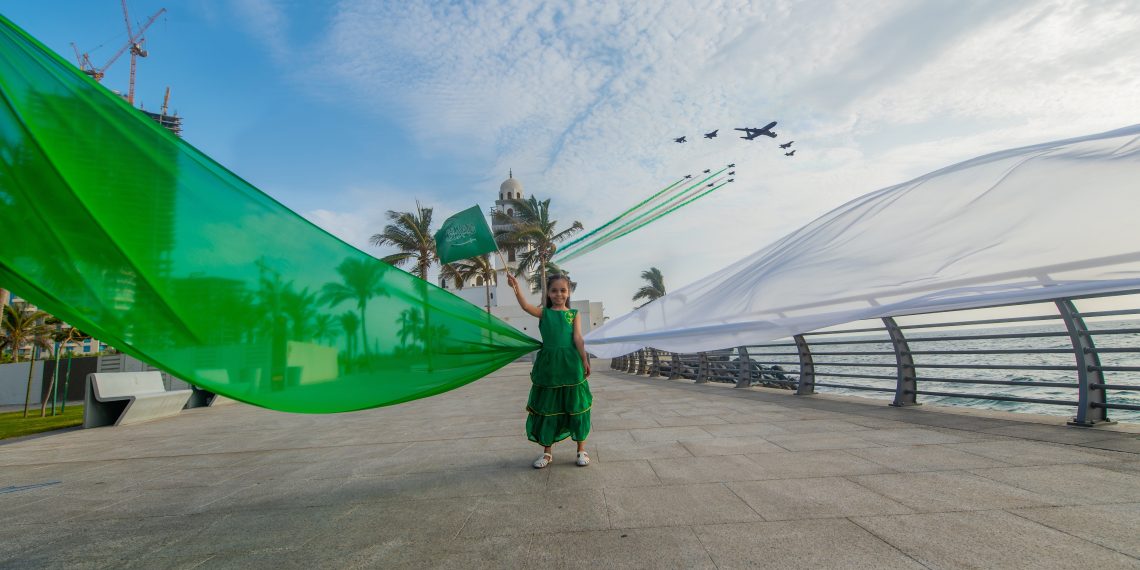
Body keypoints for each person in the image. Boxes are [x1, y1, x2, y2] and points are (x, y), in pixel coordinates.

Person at [506, 272, 592, 468]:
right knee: (548, 407)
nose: (559, 294)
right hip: (549, 366)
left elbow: (578, 338)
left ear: (568, 292)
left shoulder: (574, 314)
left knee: (577, 405)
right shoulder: (544, 313)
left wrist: (584, 360)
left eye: (563, 290)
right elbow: (525, 306)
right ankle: (547, 453)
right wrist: (516, 287)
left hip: (571, 364)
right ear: (548, 293)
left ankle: (581, 450)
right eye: (554, 290)